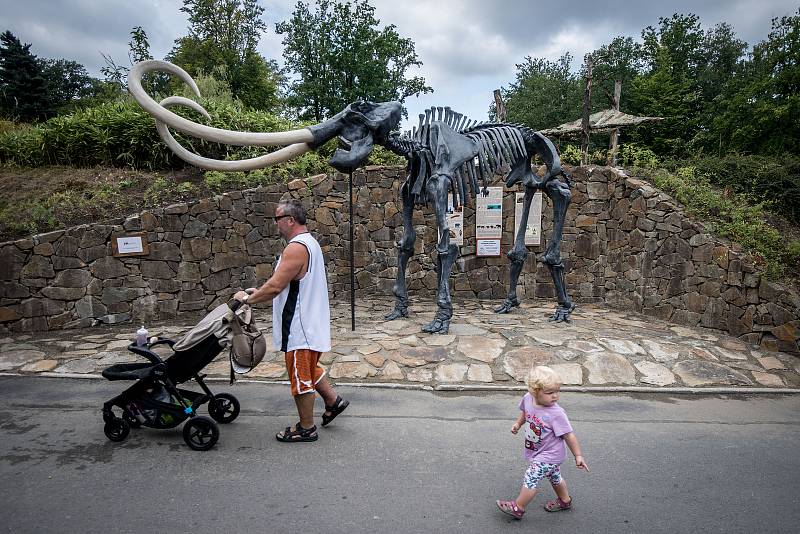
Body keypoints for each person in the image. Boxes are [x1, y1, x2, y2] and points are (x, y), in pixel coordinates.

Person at [233, 199, 348, 443]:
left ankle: (306, 428)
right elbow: (287, 283)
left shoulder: (295, 248)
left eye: (277, 219)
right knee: (308, 369)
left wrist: (246, 300)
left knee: (300, 378)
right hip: (311, 324)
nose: (275, 224)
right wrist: (258, 292)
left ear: (290, 220)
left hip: (299, 327)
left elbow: (275, 286)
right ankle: (333, 401)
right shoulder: (310, 243)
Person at [496, 365, 588, 519]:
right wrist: (518, 424)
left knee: (531, 478)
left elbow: (569, 435)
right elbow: (526, 412)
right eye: (550, 392)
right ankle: (565, 501)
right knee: (555, 477)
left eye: (557, 391)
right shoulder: (528, 398)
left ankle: (518, 507)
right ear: (534, 391)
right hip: (539, 451)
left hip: (550, 455)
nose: (555, 396)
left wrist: (578, 455)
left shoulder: (556, 413)